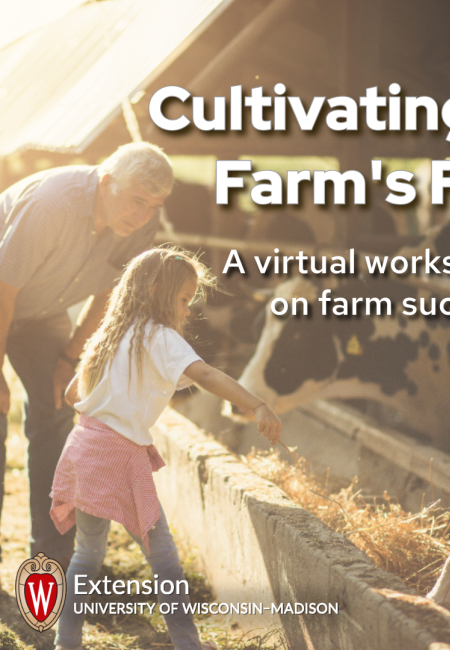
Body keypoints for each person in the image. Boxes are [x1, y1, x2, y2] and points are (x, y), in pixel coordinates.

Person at [50, 247, 281, 650]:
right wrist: (257, 404)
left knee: (86, 553)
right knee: (164, 559)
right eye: (183, 300)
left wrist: (114, 400)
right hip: (119, 455)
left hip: (83, 446)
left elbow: (73, 394)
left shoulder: (110, 333)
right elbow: (205, 374)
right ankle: (188, 644)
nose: (187, 310)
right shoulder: (159, 337)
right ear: (157, 291)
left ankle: (65, 641)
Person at [0, 142, 174, 566]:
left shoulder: (138, 225)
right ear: (107, 180)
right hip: (4, 296)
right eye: (137, 200)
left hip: (42, 312)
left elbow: (111, 293)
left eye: (154, 206)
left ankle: (52, 558)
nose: (143, 214)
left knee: (60, 406)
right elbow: (4, 287)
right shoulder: (50, 205)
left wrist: (70, 360)